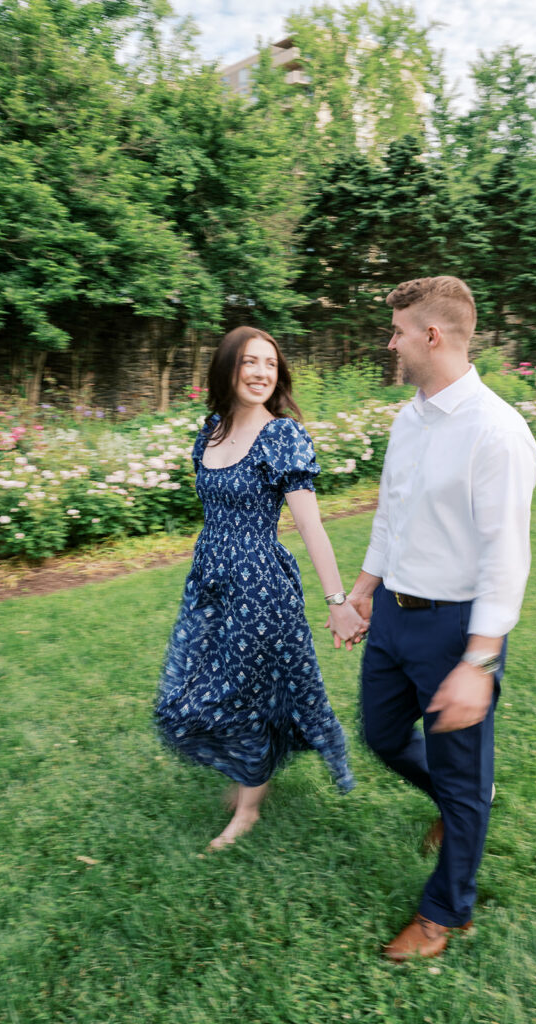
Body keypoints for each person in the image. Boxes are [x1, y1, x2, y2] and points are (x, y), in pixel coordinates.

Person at [340, 276, 536, 961]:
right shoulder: (408, 419)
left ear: (432, 335)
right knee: (382, 734)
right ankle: (461, 809)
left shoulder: (496, 432)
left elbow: (505, 558)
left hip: (455, 630)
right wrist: (363, 590)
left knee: (460, 776)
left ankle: (446, 912)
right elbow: (391, 515)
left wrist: (477, 662)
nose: (389, 343)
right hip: (394, 613)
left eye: (397, 331)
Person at [156, 326, 366, 850]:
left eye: (270, 364)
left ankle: (248, 806)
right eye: (250, 362)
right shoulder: (210, 430)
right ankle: (254, 771)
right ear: (228, 368)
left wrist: (338, 602)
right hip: (209, 581)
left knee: (243, 692)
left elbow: (311, 527)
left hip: (259, 587)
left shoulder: (283, 437)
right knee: (184, 693)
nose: (261, 373)